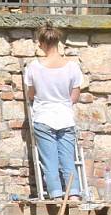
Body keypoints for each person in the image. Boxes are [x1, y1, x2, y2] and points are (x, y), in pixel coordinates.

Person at [24, 22, 84, 201]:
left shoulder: (34, 67)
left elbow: (31, 94)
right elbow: (75, 96)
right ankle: (73, 194)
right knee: (68, 159)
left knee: (49, 161)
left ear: (42, 43)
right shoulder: (72, 67)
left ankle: (56, 196)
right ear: (58, 42)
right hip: (65, 117)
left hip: (44, 116)